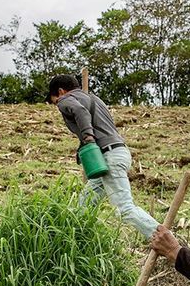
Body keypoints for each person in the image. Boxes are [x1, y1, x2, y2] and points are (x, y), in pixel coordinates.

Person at [46, 74, 160, 240]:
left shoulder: (66, 99)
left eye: (55, 101)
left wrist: (87, 139)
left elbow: (80, 111)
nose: (58, 105)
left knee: (125, 209)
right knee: (84, 204)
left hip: (108, 156)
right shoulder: (95, 99)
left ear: (61, 91)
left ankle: (164, 238)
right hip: (118, 151)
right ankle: (78, 243)